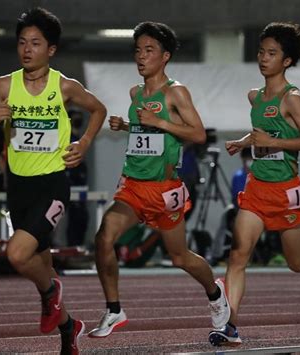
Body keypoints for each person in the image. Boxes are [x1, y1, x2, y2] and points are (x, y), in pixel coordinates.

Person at [209, 22, 300, 347]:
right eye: (261, 52)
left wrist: (272, 141)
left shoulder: (293, 98)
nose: (263, 58)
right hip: (258, 188)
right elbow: (263, 132)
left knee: (297, 263)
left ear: (286, 61)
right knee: (238, 256)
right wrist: (244, 142)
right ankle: (229, 326)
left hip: (286, 192)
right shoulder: (255, 96)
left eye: (272, 53)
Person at [88, 21, 230, 338]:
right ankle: (114, 309)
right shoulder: (135, 92)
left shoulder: (175, 92)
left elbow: (196, 133)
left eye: (149, 50)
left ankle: (214, 292)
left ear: (165, 56)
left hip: (164, 189)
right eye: (137, 50)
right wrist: (126, 125)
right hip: (133, 186)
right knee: (104, 238)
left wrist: (158, 122)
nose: (141, 56)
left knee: (179, 256)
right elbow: (146, 131)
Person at [0, 7, 106, 354]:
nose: (27, 49)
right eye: (22, 42)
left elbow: (99, 110)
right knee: (42, 269)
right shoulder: (5, 85)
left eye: (35, 43)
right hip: (18, 186)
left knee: (19, 256)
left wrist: (84, 142)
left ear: (51, 49)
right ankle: (69, 328)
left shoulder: (65, 87)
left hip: (52, 185)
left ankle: (52, 293)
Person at [66, 109, 89, 247]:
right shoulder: (66, 137)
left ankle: (76, 245)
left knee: (80, 217)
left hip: (80, 182)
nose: (78, 120)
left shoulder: (80, 138)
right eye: (75, 118)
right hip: (69, 182)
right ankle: (71, 245)